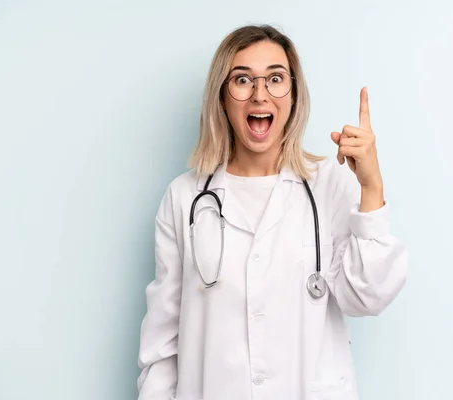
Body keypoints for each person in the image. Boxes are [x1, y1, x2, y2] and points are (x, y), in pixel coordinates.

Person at [136, 24, 408, 400]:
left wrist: (371, 189)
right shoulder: (184, 198)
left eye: (276, 79)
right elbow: (162, 346)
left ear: (294, 95)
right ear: (222, 98)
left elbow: (368, 296)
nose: (259, 95)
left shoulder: (329, 185)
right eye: (243, 80)